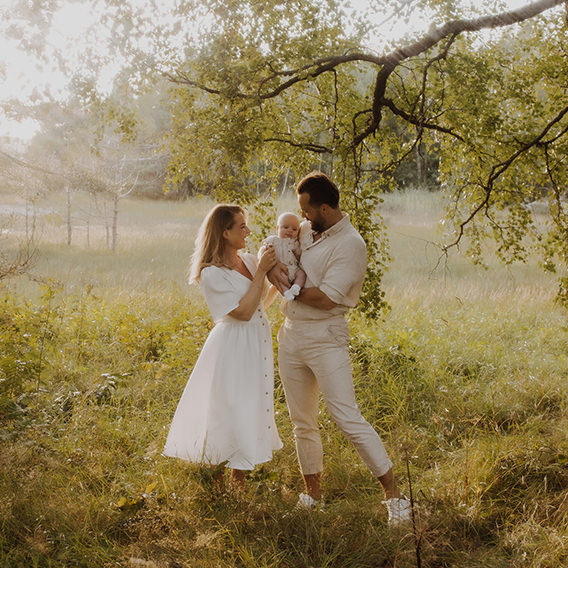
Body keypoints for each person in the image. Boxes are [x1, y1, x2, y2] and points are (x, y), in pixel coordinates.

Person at [269, 172, 412, 525]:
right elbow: (272, 246)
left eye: (306, 209)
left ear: (325, 208)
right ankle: (313, 495)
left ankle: (396, 497)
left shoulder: (351, 244)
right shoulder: (304, 230)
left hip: (326, 336)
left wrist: (292, 289)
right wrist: (271, 268)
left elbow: (326, 297)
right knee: (302, 421)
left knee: (347, 417)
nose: (300, 217)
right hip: (291, 335)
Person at [162, 204, 283, 489]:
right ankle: (215, 486)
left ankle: (237, 484)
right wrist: (261, 274)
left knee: (248, 407)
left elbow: (258, 306)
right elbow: (241, 313)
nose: (247, 231)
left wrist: (275, 284)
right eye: (241, 226)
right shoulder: (212, 273)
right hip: (232, 347)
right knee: (226, 409)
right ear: (225, 232)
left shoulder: (252, 262)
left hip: (255, 344)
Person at [261, 212, 306, 301]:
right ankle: (286, 292)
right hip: (281, 269)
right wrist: (268, 247)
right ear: (277, 228)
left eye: (294, 229)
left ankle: (296, 287)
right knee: (281, 279)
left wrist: (298, 253)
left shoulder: (295, 243)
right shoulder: (273, 240)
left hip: (294, 268)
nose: (290, 230)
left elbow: (299, 258)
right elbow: (264, 248)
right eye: (286, 227)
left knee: (301, 274)